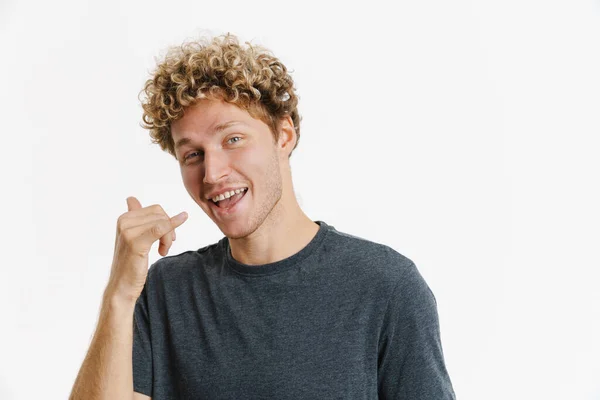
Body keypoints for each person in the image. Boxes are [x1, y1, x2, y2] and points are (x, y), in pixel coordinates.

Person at [69, 33, 456, 400]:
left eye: (232, 139)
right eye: (192, 154)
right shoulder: (165, 291)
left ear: (284, 135)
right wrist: (119, 293)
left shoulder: (386, 286)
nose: (212, 173)